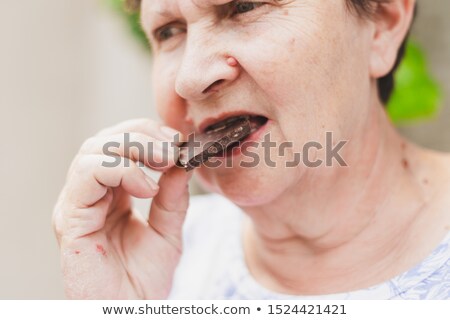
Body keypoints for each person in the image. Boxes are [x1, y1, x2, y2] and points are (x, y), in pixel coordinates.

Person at [53, 0, 450, 299]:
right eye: (169, 31)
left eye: (245, 6)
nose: (190, 78)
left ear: (382, 21)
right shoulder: (159, 258)